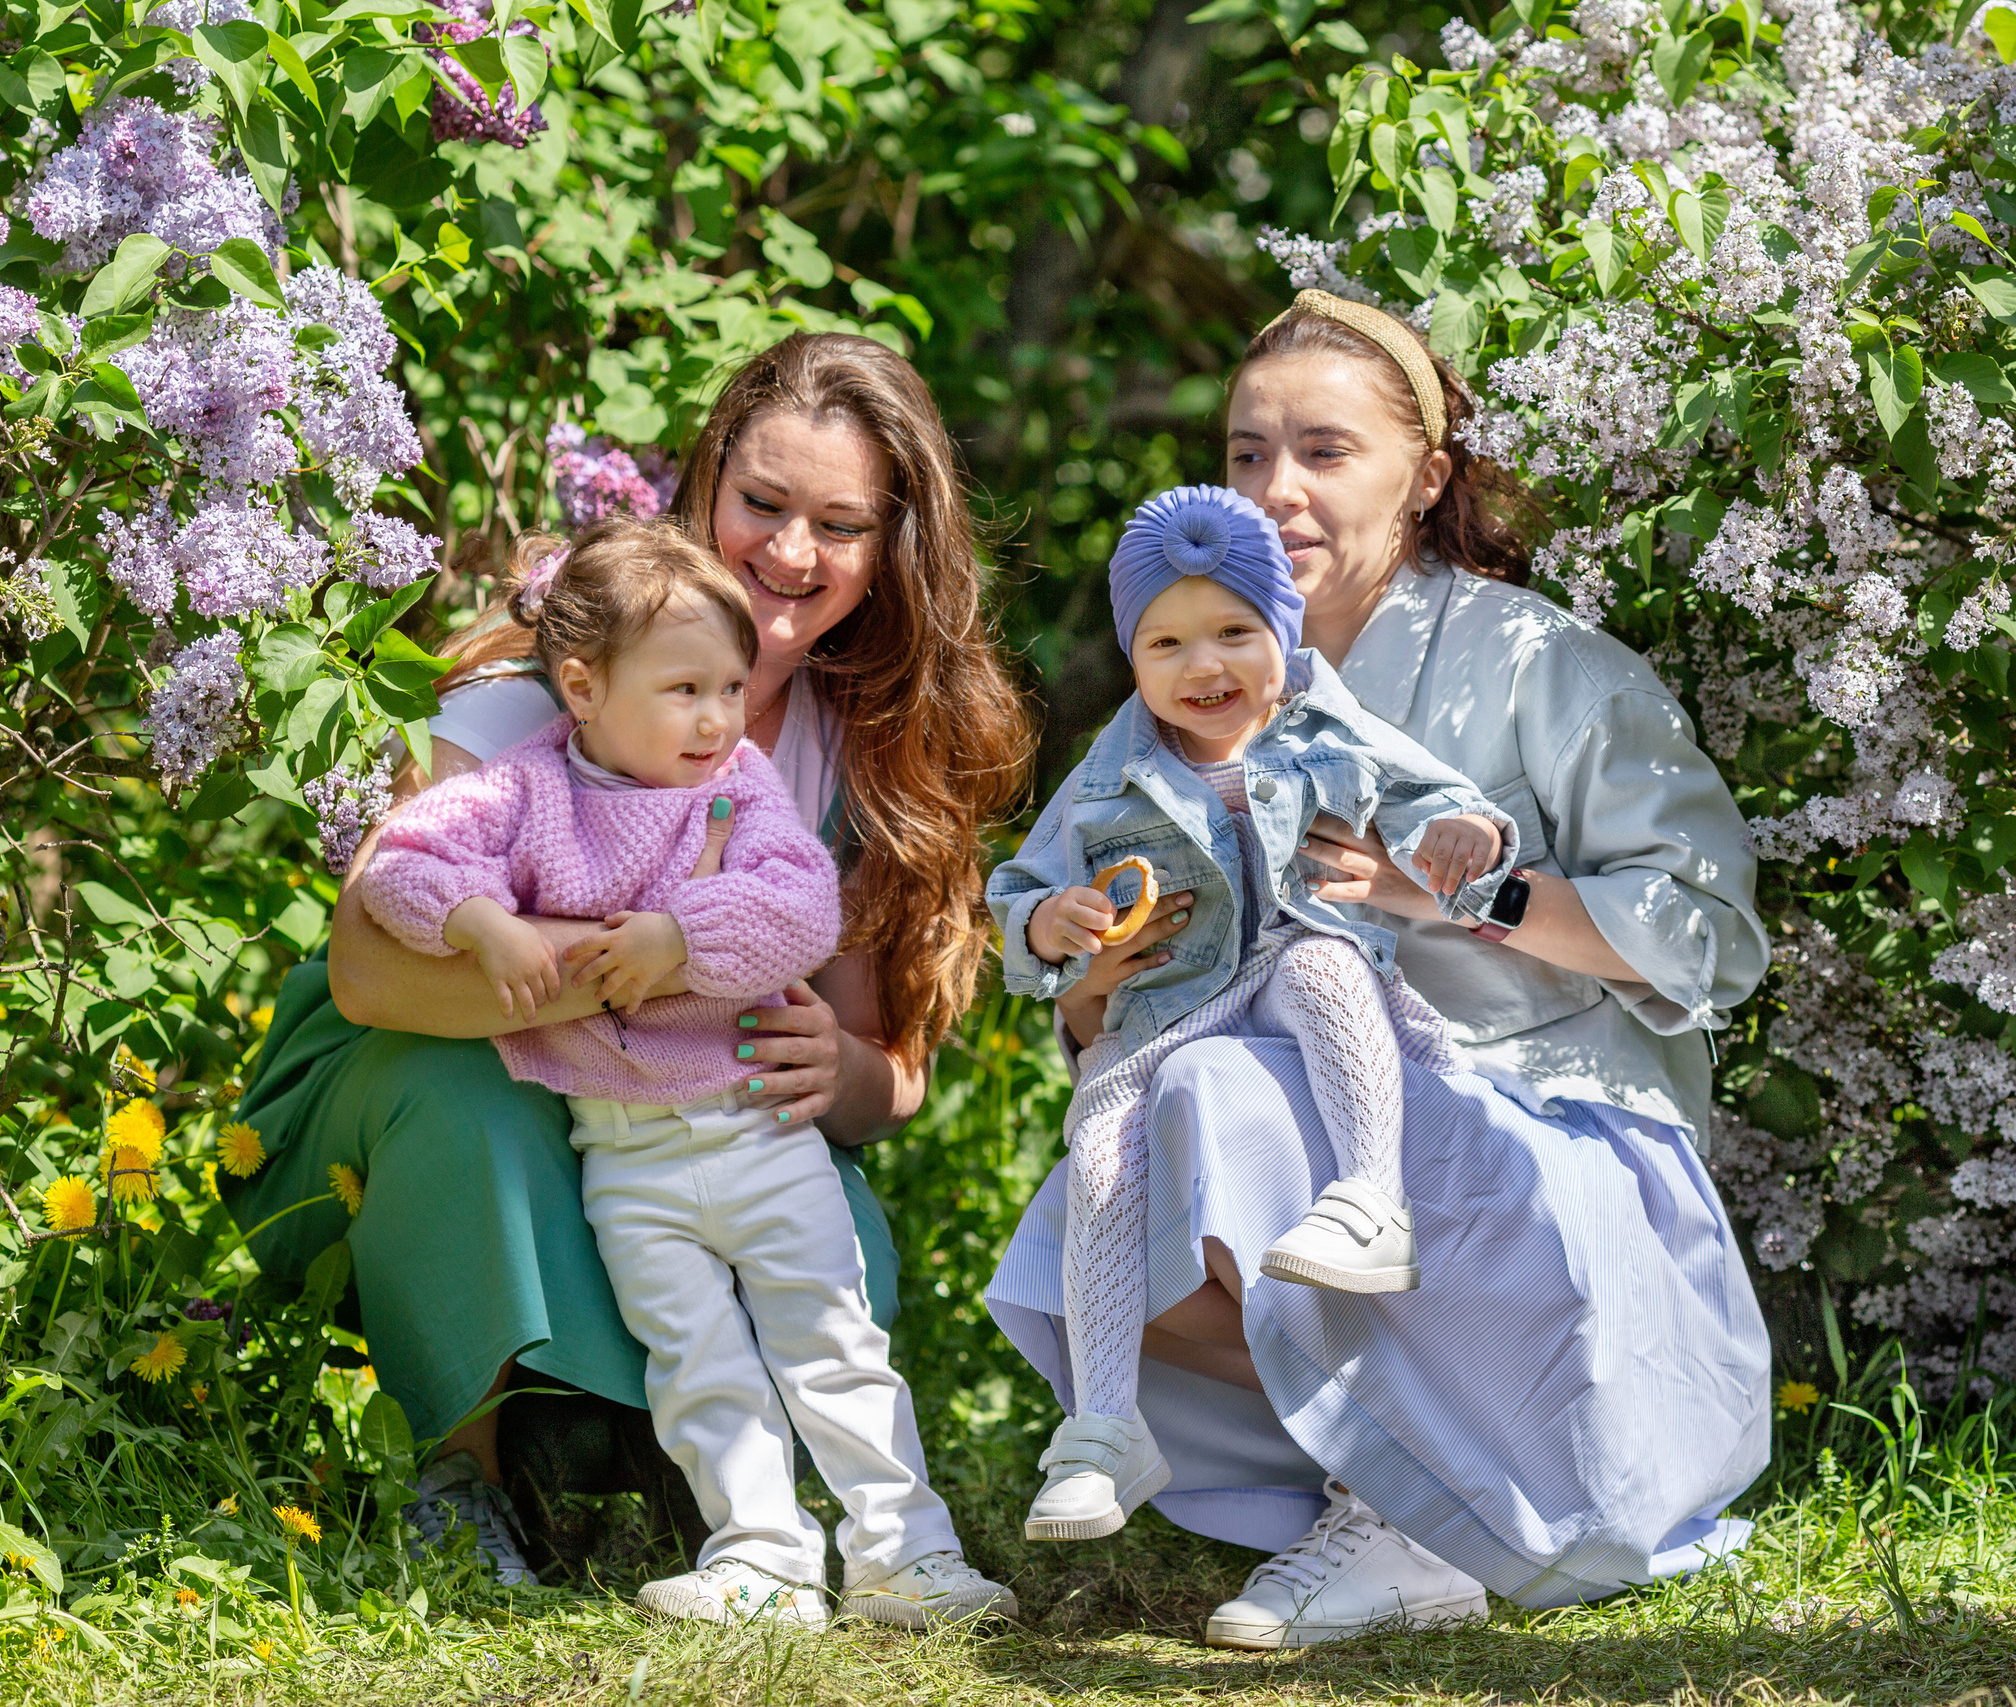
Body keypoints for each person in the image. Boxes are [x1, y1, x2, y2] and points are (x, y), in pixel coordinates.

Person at [986, 290, 1773, 1647]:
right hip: (1312, 1110)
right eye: (1247, 453)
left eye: (1325, 451)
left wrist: (1458, 892)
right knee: (1107, 1189)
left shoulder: (1540, 663)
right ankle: (1408, 1478)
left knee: (1219, 1101)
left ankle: (1402, 1514)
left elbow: (1710, 936)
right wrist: (1101, 970)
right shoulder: (1196, 687)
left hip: (1552, 1141)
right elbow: (1094, 972)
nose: (1277, 490)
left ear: (1427, 476)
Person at [223, 332, 1030, 1627]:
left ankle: (735, 1505)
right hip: (425, 1072)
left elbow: (890, 1069)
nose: (793, 551)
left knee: (842, 1240)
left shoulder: (860, 739)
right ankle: (460, 1473)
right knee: (474, 1113)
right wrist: (621, 974)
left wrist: (845, 1071)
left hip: (671, 1107)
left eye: (841, 524)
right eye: (762, 502)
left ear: (892, 548)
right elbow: (372, 969)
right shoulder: (542, 693)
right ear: (706, 484)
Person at [358, 518, 962, 1627]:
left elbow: (801, 907)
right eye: (685, 690)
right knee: (698, 1365)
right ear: (583, 688)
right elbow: (400, 865)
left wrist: (677, 941)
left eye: (730, 687)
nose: (719, 717)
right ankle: (762, 1560)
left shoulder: (734, 787)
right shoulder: (524, 788)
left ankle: (908, 1555)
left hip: (757, 1130)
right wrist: (481, 919)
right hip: (624, 1158)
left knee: (832, 1343)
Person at [984, 485, 1515, 1546]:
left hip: (1293, 975)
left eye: (1234, 632)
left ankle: (1371, 1201)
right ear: (1134, 659)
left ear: (1282, 631)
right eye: (1166, 642)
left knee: (1322, 962)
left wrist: (1466, 832)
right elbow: (1022, 893)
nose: (1203, 665)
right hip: (1171, 1007)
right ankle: (1105, 1425)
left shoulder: (1326, 721)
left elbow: (1435, 797)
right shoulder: (1111, 770)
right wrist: (1051, 922)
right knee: (1100, 1152)